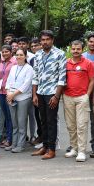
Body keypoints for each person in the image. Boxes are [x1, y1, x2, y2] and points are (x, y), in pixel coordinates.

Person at [32, 30, 67, 160]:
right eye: (43, 40)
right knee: (43, 121)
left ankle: (52, 149)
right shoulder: (38, 55)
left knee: (51, 121)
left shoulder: (60, 54)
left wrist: (57, 96)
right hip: (40, 92)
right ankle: (45, 147)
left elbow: (62, 77)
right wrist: (34, 94)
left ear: (52, 40)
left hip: (52, 93)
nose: (45, 42)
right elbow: (35, 75)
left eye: (47, 39)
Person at [63, 40, 94, 162]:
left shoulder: (88, 63)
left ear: (82, 50)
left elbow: (92, 80)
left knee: (81, 125)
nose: (75, 51)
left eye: (78, 49)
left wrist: (87, 95)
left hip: (82, 97)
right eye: (73, 49)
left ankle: (82, 151)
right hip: (67, 97)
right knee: (71, 125)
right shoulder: (65, 63)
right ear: (70, 50)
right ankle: (74, 148)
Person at [5, 49, 33, 153]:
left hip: (23, 98)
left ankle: (21, 145)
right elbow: (8, 82)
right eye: (17, 55)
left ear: (25, 56)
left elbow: (26, 85)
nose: (19, 57)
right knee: (14, 123)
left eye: (21, 55)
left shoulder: (29, 68)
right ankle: (14, 144)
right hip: (11, 98)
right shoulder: (13, 68)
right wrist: (8, 94)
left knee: (21, 122)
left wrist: (13, 94)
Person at [0, 45, 17, 147]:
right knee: (6, 117)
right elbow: (0, 77)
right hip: (1, 92)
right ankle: (8, 137)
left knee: (11, 117)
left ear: (11, 52)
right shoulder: (1, 62)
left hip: (10, 93)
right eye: (3, 52)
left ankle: (10, 139)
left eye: (6, 52)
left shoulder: (14, 62)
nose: (4, 54)